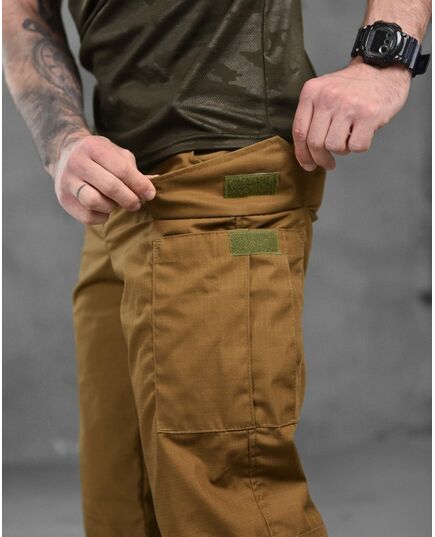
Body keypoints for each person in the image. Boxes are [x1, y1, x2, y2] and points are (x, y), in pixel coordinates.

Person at [3, 1, 431, 536]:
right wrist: (62, 141)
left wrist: (383, 60)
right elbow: (23, 11)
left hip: (224, 189)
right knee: (121, 506)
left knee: (225, 505)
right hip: (118, 196)